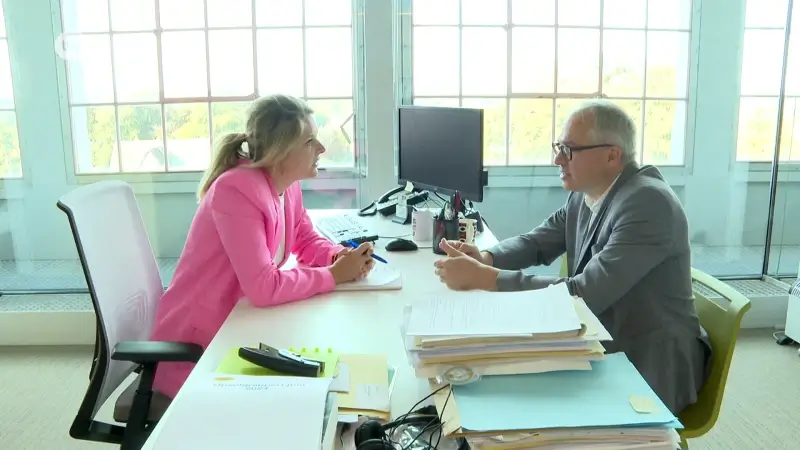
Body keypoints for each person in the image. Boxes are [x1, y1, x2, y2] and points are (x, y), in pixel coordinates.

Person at [433, 99, 711, 415]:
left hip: (648, 359)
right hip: (601, 331)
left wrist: (488, 279)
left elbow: (584, 294)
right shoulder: (586, 193)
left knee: (508, 389)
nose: (557, 159)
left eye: (568, 150)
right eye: (558, 147)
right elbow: (536, 242)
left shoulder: (648, 203)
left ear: (612, 155)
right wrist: (486, 257)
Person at [149, 94, 375, 399]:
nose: (321, 148)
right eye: (310, 141)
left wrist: (338, 256)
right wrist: (334, 275)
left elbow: (304, 239)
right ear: (280, 152)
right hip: (201, 346)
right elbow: (263, 287)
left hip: (242, 324)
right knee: (308, 390)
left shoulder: (286, 185)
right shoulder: (236, 190)